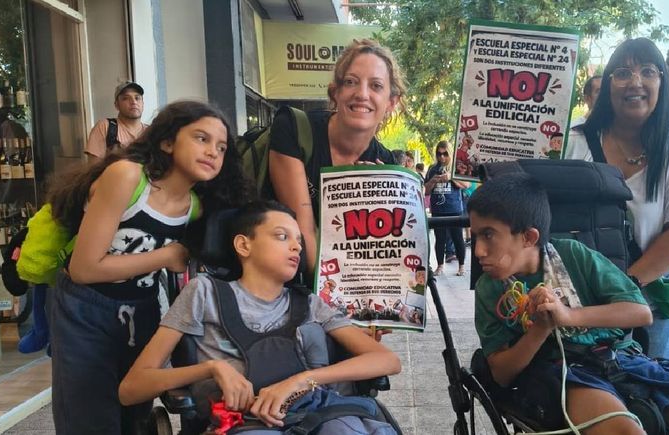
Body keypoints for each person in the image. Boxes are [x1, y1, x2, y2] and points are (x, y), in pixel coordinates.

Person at [469, 173, 669, 435]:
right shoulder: (490, 289)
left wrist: (567, 316)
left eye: (488, 235)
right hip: (565, 372)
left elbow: (640, 312)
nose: (478, 250)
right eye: (475, 236)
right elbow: (502, 375)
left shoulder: (573, 254)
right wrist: (540, 330)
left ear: (528, 237)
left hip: (625, 359)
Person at [47, 100, 253, 434]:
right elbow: (85, 269)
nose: (213, 152)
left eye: (221, 147)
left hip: (142, 307)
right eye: (201, 138)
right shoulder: (127, 176)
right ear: (167, 141)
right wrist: (166, 256)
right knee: (88, 414)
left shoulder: (195, 207)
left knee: (135, 412)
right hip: (84, 308)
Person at [119, 201, 401, 432]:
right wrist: (212, 369)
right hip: (245, 422)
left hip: (318, 414)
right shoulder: (204, 293)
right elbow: (131, 388)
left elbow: (387, 360)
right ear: (244, 245)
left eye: (299, 240)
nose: (296, 247)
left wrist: (303, 380)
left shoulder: (310, 304)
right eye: (282, 236)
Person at [564, 38, 669, 368]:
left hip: (651, 309)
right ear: (608, 85)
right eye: (622, 73)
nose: (635, 82)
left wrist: (621, 291)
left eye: (648, 71)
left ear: (662, 82)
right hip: (581, 306)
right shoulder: (573, 142)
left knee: (657, 393)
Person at [269, 39, 405, 274]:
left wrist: (374, 201)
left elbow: (379, 253)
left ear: (391, 102)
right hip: (280, 278)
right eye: (351, 82)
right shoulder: (294, 129)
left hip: (338, 280)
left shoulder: (385, 163)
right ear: (336, 92)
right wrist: (333, 293)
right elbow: (305, 234)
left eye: (376, 86)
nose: (362, 94)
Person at [424, 140, 469, 276]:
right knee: (440, 239)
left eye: (445, 154)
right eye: (439, 154)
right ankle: (440, 266)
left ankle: (461, 266)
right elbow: (426, 191)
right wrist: (433, 180)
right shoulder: (432, 168)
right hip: (438, 210)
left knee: (458, 238)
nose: (442, 157)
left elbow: (466, 185)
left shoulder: (457, 168)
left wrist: (451, 178)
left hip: (455, 209)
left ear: (450, 154)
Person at [85, 81, 147, 162]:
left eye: (137, 98)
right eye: (125, 98)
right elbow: (94, 167)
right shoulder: (105, 127)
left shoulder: (150, 131)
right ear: (117, 105)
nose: (133, 102)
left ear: (143, 104)